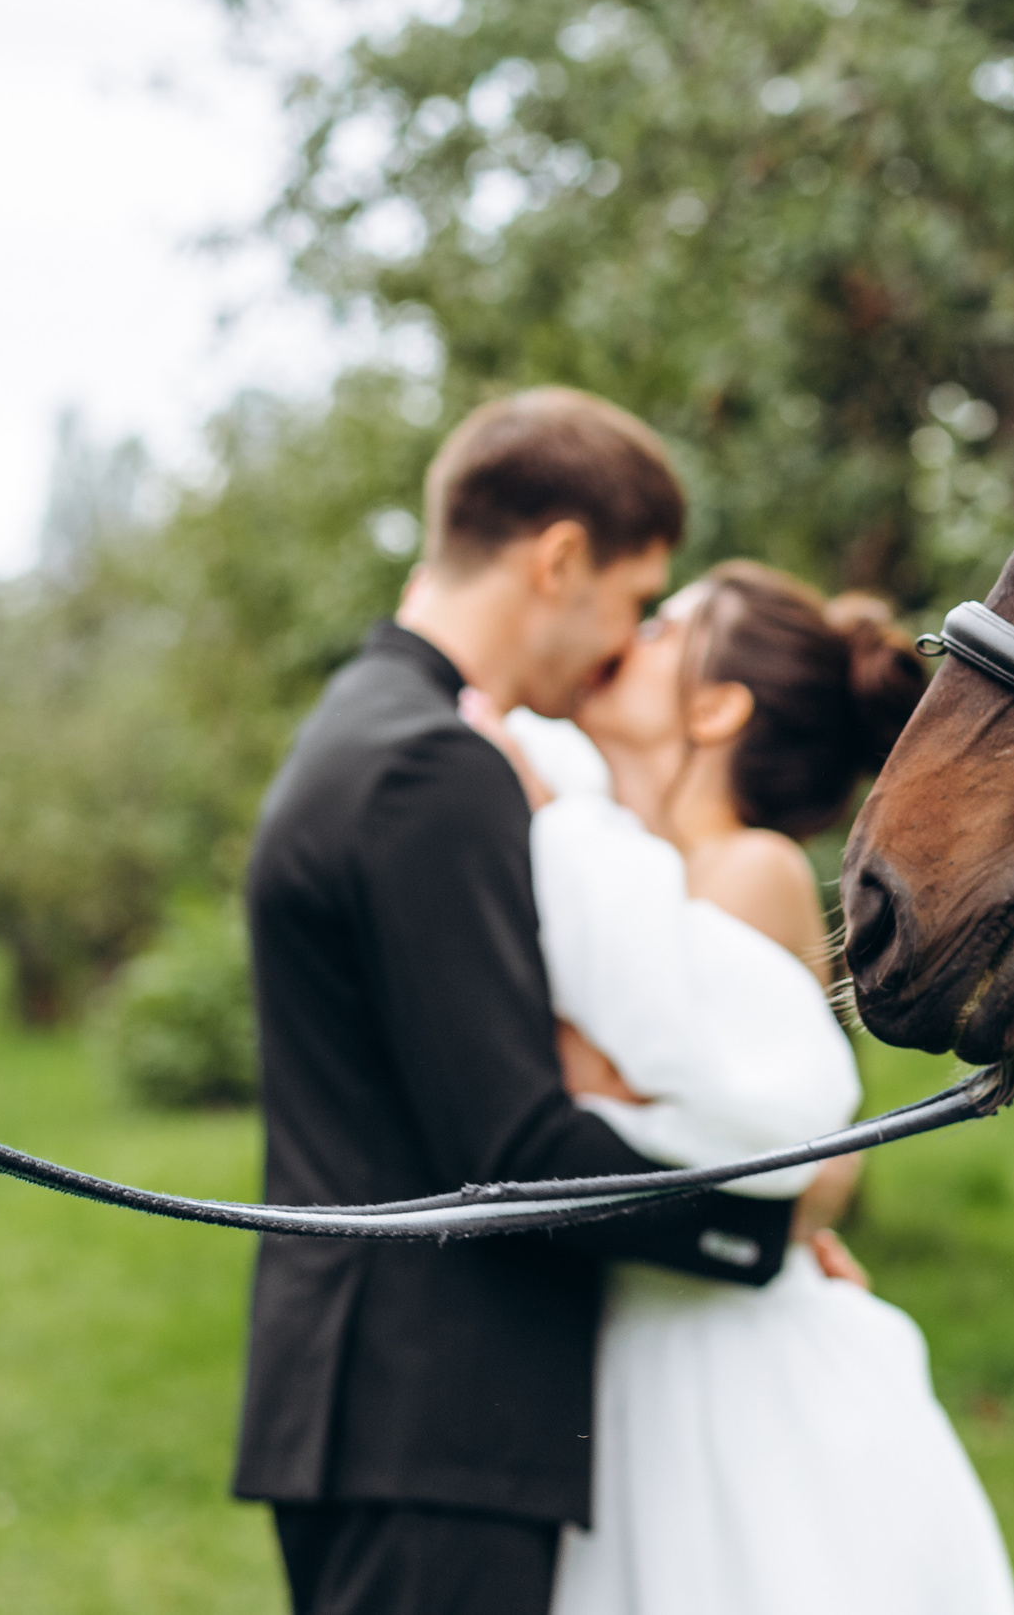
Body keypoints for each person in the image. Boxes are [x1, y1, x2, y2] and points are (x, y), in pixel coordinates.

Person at [232, 391, 799, 1615]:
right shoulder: (436, 765)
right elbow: (506, 1149)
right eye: (636, 602)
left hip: (367, 1401)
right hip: (432, 1408)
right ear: (558, 560)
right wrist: (759, 1232)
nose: (621, 644)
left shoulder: (362, 724)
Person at [471, 560, 1014, 1615]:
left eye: (665, 628)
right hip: (633, 1332)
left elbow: (641, 1089)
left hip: (723, 1364)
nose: (625, 636)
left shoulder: (747, 867)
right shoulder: (626, 858)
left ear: (719, 705)